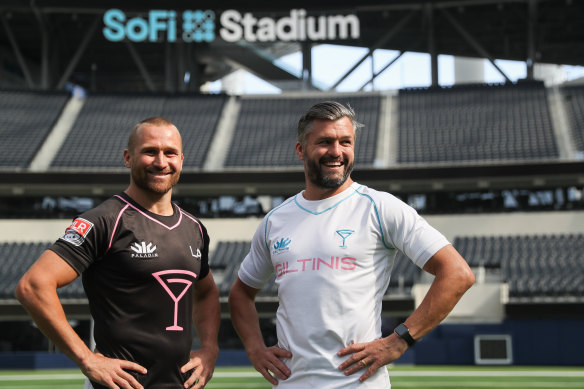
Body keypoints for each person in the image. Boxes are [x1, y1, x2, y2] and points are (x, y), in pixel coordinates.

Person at [228, 101, 475, 388]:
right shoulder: (275, 220)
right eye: (324, 142)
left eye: (345, 142)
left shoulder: (379, 207)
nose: (336, 151)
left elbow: (457, 273)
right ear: (300, 150)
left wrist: (399, 341)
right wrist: (255, 349)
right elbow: (240, 294)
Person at [15, 117, 220, 389]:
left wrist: (209, 348)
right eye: (150, 151)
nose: (161, 161)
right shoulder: (105, 221)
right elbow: (32, 286)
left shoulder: (194, 228)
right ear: (127, 158)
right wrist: (87, 359)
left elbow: (206, 292)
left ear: (181, 159)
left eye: (170, 152)